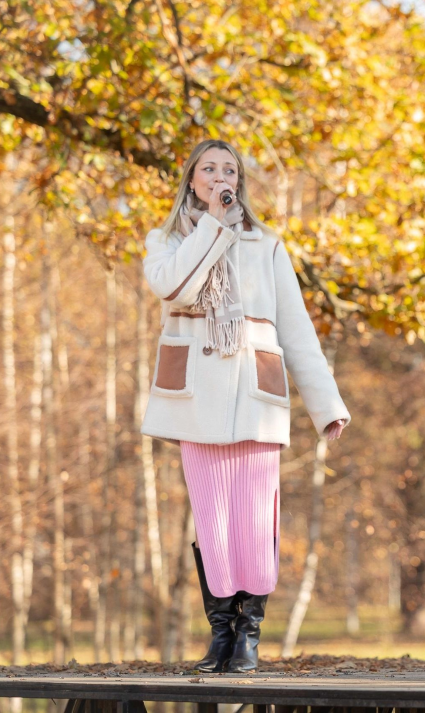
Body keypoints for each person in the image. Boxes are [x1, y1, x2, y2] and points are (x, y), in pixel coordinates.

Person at [141, 140, 351, 673]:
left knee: (255, 517)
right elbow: (175, 289)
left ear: (240, 181)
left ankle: (248, 634)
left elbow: (298, 331)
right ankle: (221, 633)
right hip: (195, 401)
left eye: (228, 170)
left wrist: (326, 405)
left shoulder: (266, 245)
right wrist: (214, 225)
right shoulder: (165, 242)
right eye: (208, 169)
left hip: (255, 399)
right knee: (212, 517)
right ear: (192, 181)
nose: (219, 177)